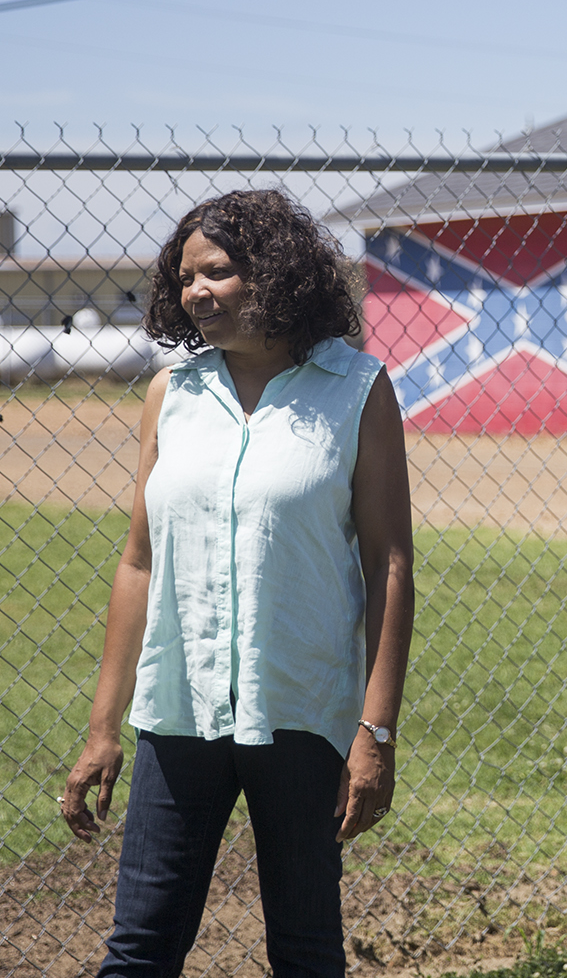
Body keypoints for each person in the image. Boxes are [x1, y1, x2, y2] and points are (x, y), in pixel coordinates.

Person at [61, 189, 415, 978]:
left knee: (305, 949)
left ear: (278, 273)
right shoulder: (171, 394)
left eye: (217, 271)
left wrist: (375, 731)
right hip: (179, 710)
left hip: (302, 709)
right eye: (186, 277)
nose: (196, 292)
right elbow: (138, 560)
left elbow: (390, 560)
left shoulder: (357, 390)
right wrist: (104, 728)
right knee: (140, 947)